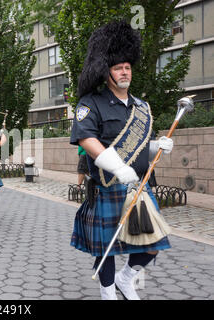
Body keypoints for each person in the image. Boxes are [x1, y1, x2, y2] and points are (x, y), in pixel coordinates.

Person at [69, 20, 174, 300]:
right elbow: (86, 139)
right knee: (108, 248)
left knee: (152, 243)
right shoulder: (91, 103)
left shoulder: (141, 107)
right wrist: (117, 166)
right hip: (107, 186)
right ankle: (107, 293)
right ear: (107, 72)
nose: (124, 71)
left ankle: (125, 279)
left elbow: (138, 148)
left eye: (127, 67)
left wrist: (156, 147)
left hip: (138, 187)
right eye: (118, 67)